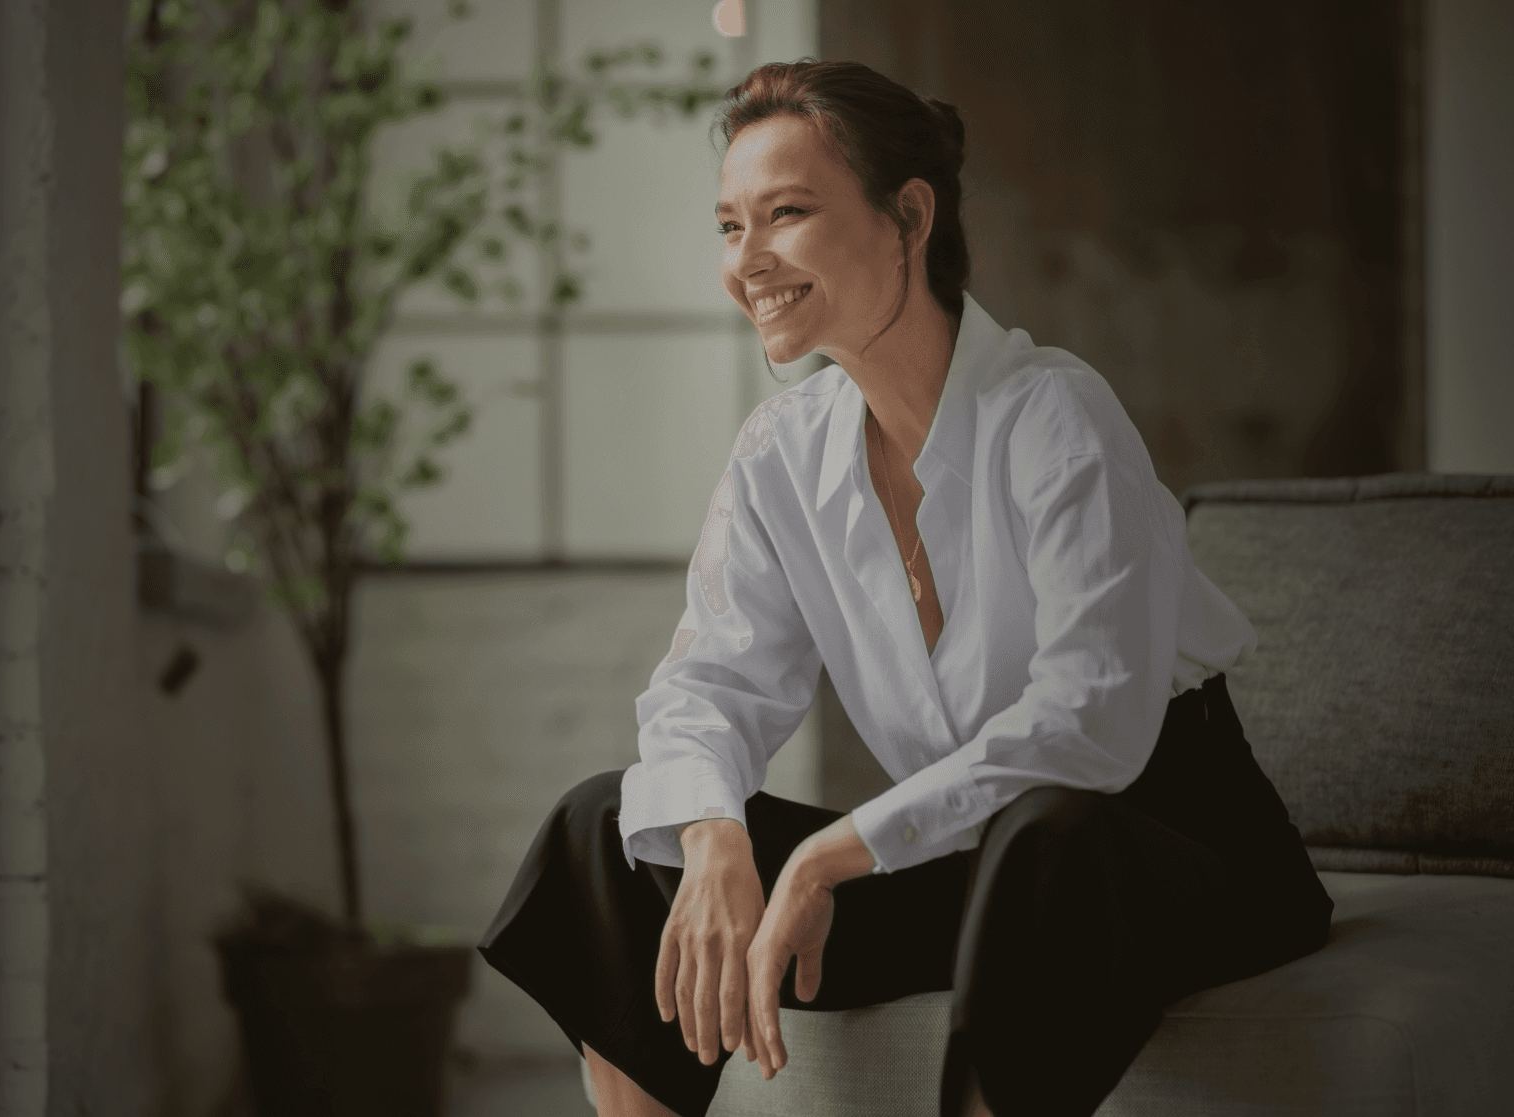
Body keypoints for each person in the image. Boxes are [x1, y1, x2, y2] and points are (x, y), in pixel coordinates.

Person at [477, 60, 1333, 1117]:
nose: (750, 259)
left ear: (908, 218)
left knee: (1046, 837)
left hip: (1157, 852)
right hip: (965, 860)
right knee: (605, 823)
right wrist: (715, 841)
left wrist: (831, 853)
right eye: (729, 226)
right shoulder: (781, 456)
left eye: (786, 213)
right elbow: (708, 689)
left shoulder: (1055, 415)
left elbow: (1089, 724)